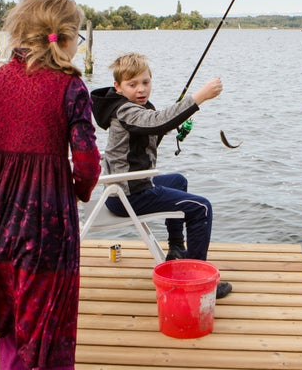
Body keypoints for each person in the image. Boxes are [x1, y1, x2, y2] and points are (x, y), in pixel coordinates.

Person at [0, 0, 100, 370]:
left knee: (11, 327)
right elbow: (86, 162)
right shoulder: (70, 88)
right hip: (47, 230)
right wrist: (78, 191)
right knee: (51, 336)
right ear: (66, 37)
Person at [90, 52, 232, 299]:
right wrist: (199, 98)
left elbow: (153, 129)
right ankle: (199, 283)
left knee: (178, 180)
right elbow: (155, 122)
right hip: (129, 195)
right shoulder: (125, 111)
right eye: (132, 85)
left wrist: (175, 122)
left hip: (125, 188)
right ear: (118, 87)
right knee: (202, 207)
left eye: (145, 82)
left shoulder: (133, 108)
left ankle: (176, 249)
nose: (141, 89)